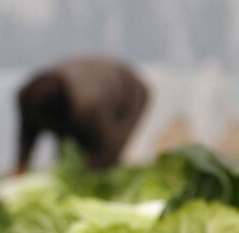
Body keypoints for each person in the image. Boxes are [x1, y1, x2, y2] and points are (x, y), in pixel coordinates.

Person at [15, 57, 149, 172]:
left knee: (102, 160)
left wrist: (90, 169)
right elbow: (28, 130)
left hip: (129, 93)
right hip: (92, 84)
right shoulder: (26, 96)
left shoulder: (90, 105)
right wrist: (21, 166)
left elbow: (106, 144)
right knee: (70, 155)